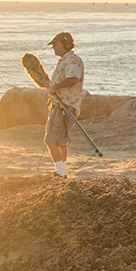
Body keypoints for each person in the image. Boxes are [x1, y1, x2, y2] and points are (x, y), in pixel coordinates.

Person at [44, 32, 84, 179]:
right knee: (61, 141)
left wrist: (55, 88)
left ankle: (60, 173)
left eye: (56, 44)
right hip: (65, 105)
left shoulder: (72, 60)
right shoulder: (65, 60)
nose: (53, 47)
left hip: (64, 106)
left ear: (66, 44)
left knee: (51, 141)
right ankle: (62, 171)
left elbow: (73, 78)